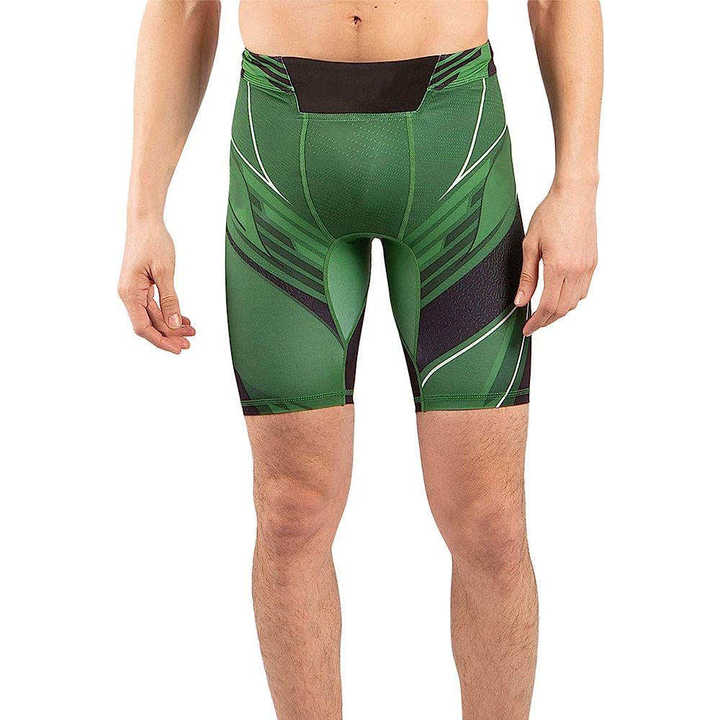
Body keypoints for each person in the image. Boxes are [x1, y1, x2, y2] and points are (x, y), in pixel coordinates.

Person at [118, 1, 602, 718]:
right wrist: (144, 214)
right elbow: (184, 8)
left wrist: (577, 188)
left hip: (454, 149)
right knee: (290, 512)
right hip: (282, 161)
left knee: (489, 520)